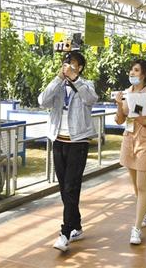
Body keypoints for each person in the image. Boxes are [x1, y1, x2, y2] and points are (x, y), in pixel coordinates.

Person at [38, 51, 99, 252]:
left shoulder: (86, 84)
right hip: (58, 140)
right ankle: (77, 225)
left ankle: (65, 233)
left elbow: (91, 99)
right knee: (65, 187)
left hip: (78, 141)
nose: (67, 66)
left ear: (79, 67)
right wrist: (58, 79)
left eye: (72, 63)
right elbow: (42, 101)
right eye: (65, 63)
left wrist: (75, 80)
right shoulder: (58, 85)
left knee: (71, 187)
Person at [114, 59, 146, 245]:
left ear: (145, 74)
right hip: (129, 141)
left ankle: (136, 229)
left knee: (142, 186)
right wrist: (119, 104)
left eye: (136, 70)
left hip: (145, 142)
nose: (132, 73)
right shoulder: (126, 93)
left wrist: (144, 121)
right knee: (135, 185)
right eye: (131, 70)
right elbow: (119, 120)